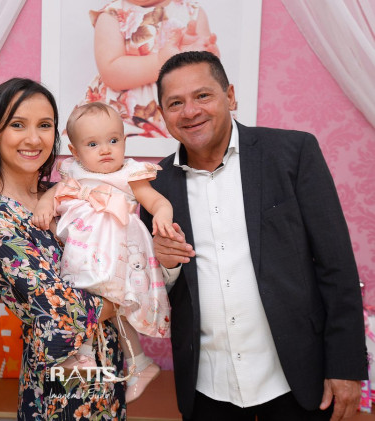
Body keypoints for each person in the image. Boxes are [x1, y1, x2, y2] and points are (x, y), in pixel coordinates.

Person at [140, 50, 367, 421]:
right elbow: (156, 289)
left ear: (230, 96)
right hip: (208, 386)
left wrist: (346, 365)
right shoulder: (155, 186)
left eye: (202, 96)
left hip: (298, 379)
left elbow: (337, 266)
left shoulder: (293, 154)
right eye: (175, 103)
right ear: (163, 114)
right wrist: (166, 266)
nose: (190, 111)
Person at [0, 78, 126, 420]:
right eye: (17, 125)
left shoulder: (67, 195)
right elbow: (61, 310)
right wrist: (129, 294)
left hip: (108, 372)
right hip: (60, 386)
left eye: (44, 125)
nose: (33, 138)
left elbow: (125, 247)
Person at [32, 102, 174, 403]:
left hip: (117, 250)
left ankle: (101, 358)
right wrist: (45, 204)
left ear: (124, 141)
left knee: (105, 301)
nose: (106, 149)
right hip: (86, 249)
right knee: (87, 299)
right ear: (75, 151)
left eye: (113, 140)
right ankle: (134, 362)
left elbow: (156, 201)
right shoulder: (74, 173)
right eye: (93, 144)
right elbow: (55, 192)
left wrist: (162, 214)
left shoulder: (129, 175)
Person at [83, 0, 219, 138]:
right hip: (124, 123)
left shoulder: (193, 13)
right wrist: (160, 62)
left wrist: (208, 56)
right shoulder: (112, 16)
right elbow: (111, 73)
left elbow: (209, 72)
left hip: (183, 119)